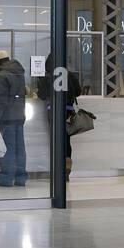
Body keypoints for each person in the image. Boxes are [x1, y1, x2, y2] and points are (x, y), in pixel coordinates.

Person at [37, 53, 81, 184]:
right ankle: (66, 167)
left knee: (56, 140)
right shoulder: (69, 74)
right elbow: (78, 91)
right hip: (68, 112)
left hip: (54, 112)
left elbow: (42, 95)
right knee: (66, 139)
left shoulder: (48, 77)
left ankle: (58, 169)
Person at [0, 49, 28, 187]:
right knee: (19, 148)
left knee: (7, 149)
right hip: (19, 116)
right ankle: (20, 177)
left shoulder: (1, 76)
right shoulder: (19, 73)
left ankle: (6, 178)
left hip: (6, 118)